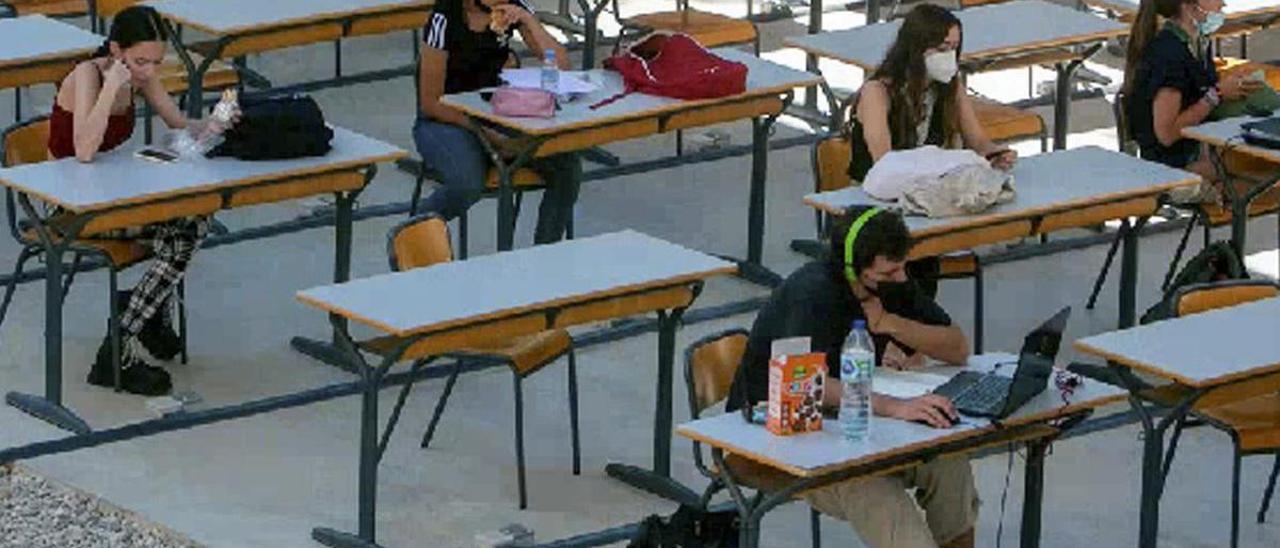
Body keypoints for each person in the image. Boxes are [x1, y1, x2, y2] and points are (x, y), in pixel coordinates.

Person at [727, 206, 975, 548]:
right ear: (854, 269)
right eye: (889, 272)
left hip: (854, 424)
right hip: (778, 434)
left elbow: (957, 347)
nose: (901, 279)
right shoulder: (811, 294)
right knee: (876, 491)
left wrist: (888, 322)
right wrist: (895, 407)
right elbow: (799, 382)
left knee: (949, 463)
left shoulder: (890, 285)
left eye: (903, 267)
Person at [48, 6, 232, 395]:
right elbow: (84, 149)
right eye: (139, 61)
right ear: (116, 51)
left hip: (109, 197)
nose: (148, 70)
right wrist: (113, 86)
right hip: (69, 207)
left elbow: (179, 123)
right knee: (183, 236)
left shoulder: (141, 75)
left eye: (155, 61)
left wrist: (217, 124)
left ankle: (134, 316)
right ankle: (123, 340)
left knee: (195, 219)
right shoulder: (87, 75)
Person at [413, 0, 581, 245]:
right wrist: (486, 133)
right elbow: (430, 102)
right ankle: (412, 234)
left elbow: (562, 67)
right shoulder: (445, 19)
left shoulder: (514, 7)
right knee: (466, 183)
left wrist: (528, 21)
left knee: (567, 168)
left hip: (494, 112)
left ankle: (545, 254)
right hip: (445, 121)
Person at [846, 4, 1017, 183]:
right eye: (942, 49)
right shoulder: (877, 93)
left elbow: (978, 141)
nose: (949, 56)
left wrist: (994, 154)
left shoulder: (950, 85)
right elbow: (884, 164)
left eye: (954, 48)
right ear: (916, 49)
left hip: (929, 186)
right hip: (874, 194)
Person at [1124, 0, 1263, 202]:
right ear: (1189, 4)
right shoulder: (1168, 54)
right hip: (1173, 162)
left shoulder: (1197, 42)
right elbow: (1166, 134)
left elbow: (1200, 96)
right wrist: (1216, 95)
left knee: (1263, 168)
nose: (1223, 3)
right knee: (1262, 171)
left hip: (1201, 147)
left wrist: (1233, 87)